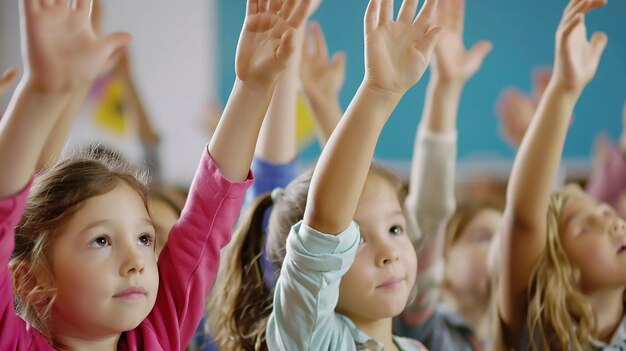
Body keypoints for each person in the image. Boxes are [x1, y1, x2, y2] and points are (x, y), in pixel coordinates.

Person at [0, 0, 310, 349]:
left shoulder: (158, 332)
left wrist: (252, 87)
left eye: (145, 239)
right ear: (30, 279)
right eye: (101, 240)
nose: (136, 262)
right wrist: (41, 93)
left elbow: (206, 220)